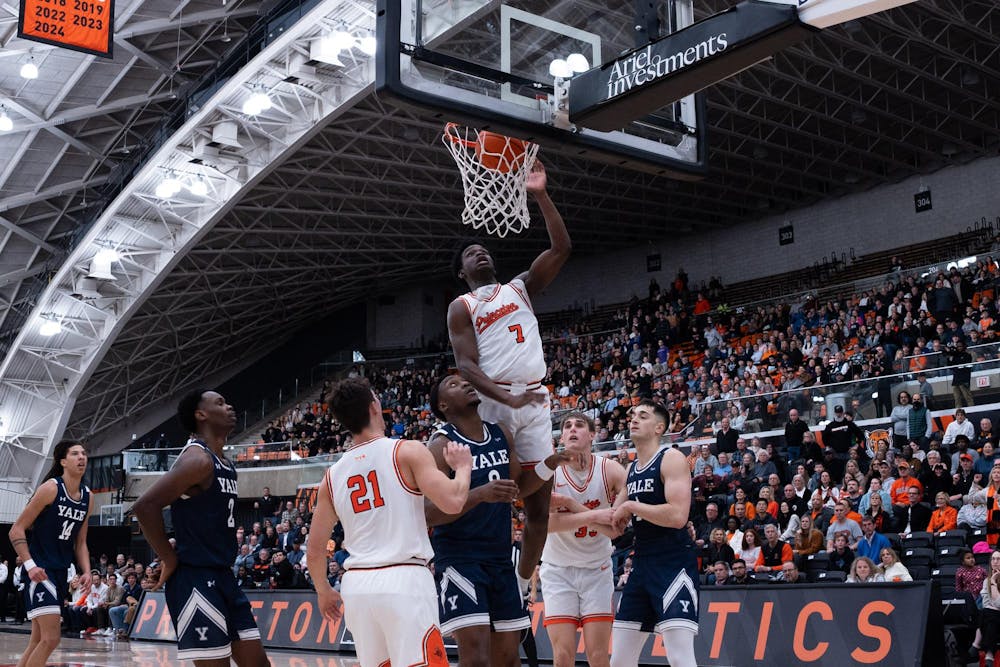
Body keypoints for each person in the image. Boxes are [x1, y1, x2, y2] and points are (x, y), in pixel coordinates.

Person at [447, 160, 570, 595]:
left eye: (483, 248)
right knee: (504, 493)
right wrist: (503, 396)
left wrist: (539, 193)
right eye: (469, 253)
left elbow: (560, 250)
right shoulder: (462, 305)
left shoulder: (519, 287)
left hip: (534, 398)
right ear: (462, 271)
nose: (479, 252)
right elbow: (465, 366)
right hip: (496, 402)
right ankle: (483, 576)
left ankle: (521, 585)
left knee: (538, 508)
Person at [306, 377, 472, 667]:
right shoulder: (406, 451)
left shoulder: (331, 478)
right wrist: (463, 469)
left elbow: (316, 550)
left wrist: (323, 590)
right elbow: (453, 502)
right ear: (374, 406)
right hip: (403, 579)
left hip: (357, 587)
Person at [425, 375, 576, 667]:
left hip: (499, 559)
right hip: (460, 559)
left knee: (508, 658)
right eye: (454, 385)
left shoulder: (500, 433)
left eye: (464, 381)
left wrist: (548, 465)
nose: (466, 384)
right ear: (443, 405)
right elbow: (428, 513)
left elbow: (517, 488)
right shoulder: (441, 445)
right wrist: (479, 494)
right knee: (477, 658)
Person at [133, 390, 269, 666]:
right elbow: (145, 507)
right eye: (220, 402)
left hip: (223, 575)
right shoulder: (197, 460)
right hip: (194, 578)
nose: (229, 406)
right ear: (201, 414)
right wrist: (168, 558)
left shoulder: (225, 464)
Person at [610, 400, 698, 667]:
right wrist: (569, 507)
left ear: (659, 427)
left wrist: (632, 505)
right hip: (642, 564)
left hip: (673, 562)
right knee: (620, 661)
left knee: (679, 657)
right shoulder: (630, 469)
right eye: (632, 415)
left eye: (643, 416)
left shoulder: (670, 458)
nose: (633, 419)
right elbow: (613, 522)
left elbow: (677, 516)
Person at [540, 410, 626, 667]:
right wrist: (595, 515)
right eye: (567, 426)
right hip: (558, 570)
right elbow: (547, 524)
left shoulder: (609, 469)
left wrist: (569, 505)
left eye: (579, 425)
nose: (572, 429)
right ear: (562, 436)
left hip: (596, 570)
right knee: (563, 655)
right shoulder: (551, 472)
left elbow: (615, 527)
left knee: (598, 656)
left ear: (592, 434)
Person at [8, 440, 93, 667]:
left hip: (60, 573)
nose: (81, 457)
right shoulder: (51, 489)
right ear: (63, 461)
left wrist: (86, 571)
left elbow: (81, 541)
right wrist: (30, 566)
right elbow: (16, 529)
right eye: (75, 454)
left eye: (84, 453)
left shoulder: (88, 496)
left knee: (38, 640)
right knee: (51, 639)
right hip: (41, 571)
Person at [982, 550, 1000, 667]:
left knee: (989, 614)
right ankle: (989, 653)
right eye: (993, 559)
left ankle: (980, 647)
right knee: (986, 613)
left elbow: (998, 604)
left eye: (998, 559)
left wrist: (993, 582)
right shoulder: (986, 581)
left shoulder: (990, 581)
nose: (995, 562)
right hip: (993, 616)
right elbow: (985, 603)